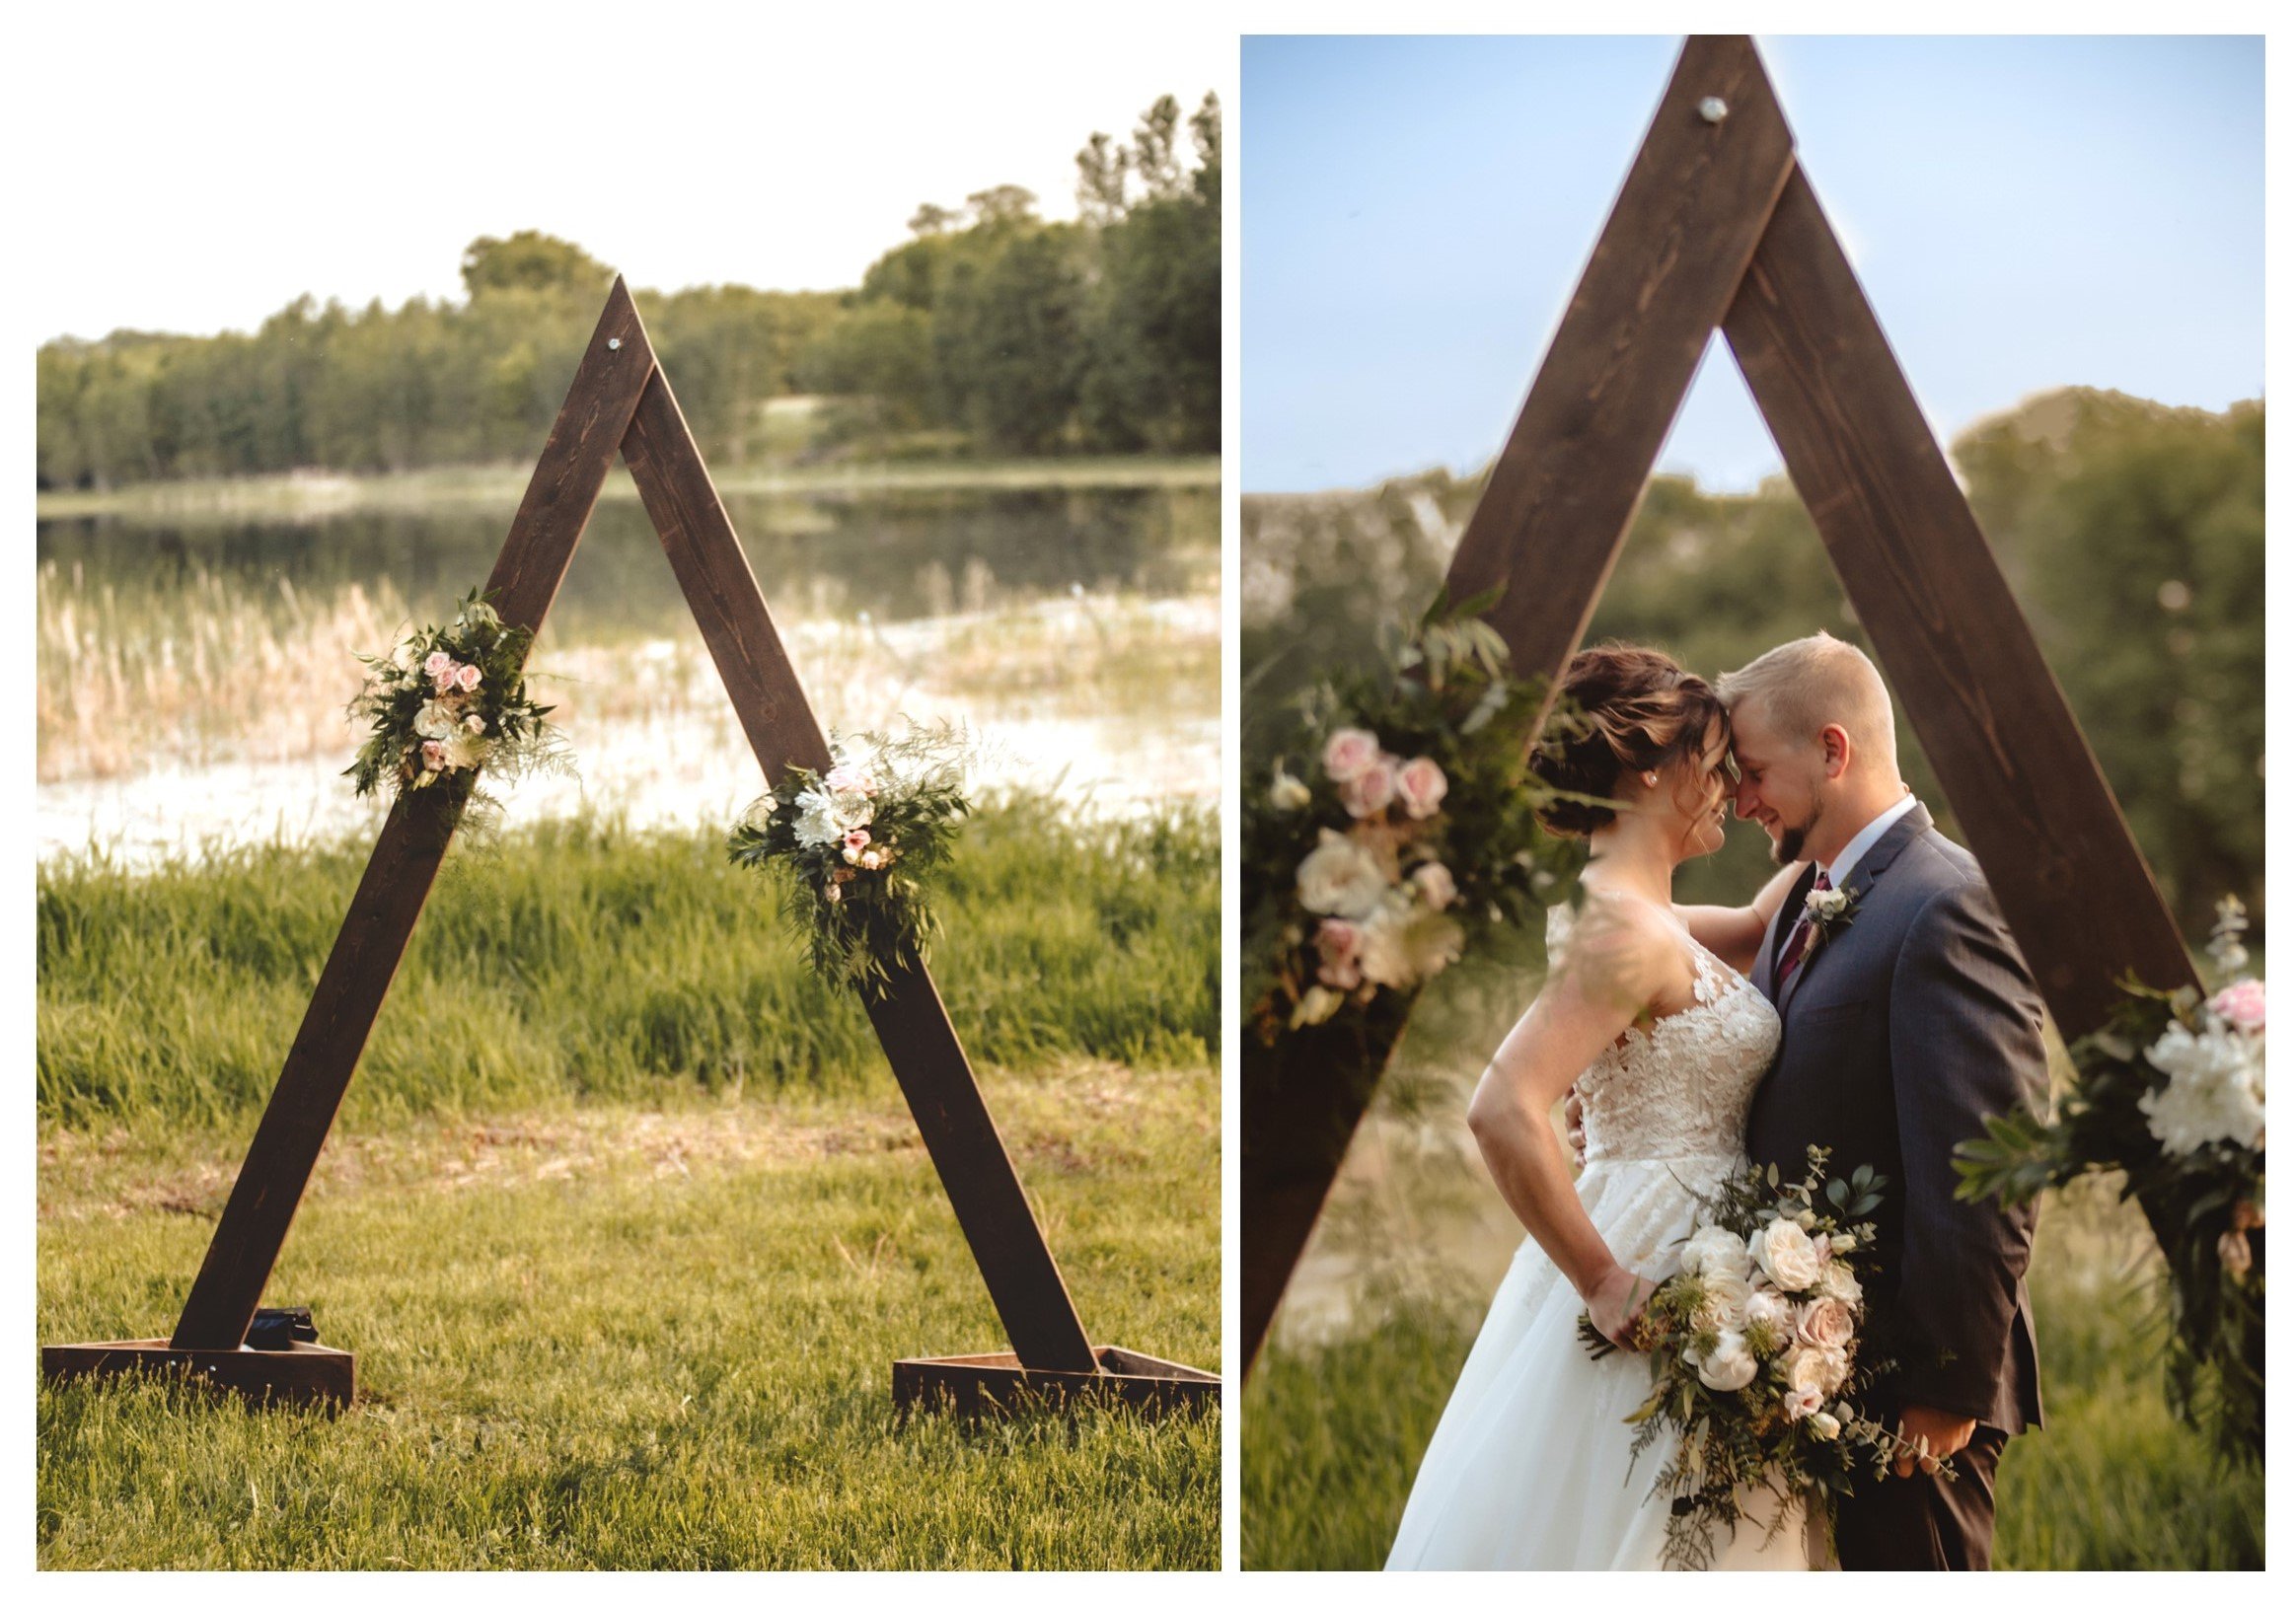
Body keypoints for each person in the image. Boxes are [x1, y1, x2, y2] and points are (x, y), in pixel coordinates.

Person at [1386, 642, 1810, 1570]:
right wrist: (1602, 1279)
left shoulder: (1638, 914)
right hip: (1649, 1249)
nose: (1729, 788)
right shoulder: (1623, 929)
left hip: (1692, 1236)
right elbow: (1502, 1106)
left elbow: (1751, 926)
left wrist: (1854, 822)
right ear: (1652, 767)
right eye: (1713, 762)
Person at [1720, 633, 2045, 1570]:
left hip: (1912, 1387)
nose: (1740, 798)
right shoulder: (1804, 895)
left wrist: (1945, 1386)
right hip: (1815, 1373)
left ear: (1832, 749)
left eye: (1751, 772)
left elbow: (1987, 1167)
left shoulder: (1948, 902)